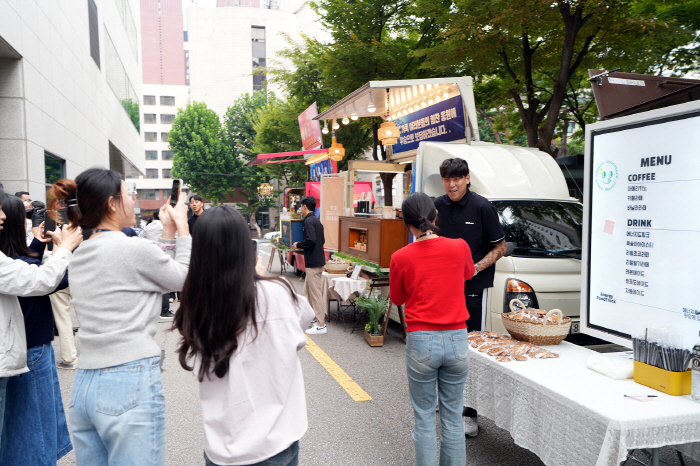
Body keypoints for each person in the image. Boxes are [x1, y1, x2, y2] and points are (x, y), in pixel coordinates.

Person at [48, 168, 191, 465]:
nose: (134, 200)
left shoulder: (82, 252)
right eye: (129, 194)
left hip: (86, 383)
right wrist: (184, 231)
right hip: (128, 378)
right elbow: (184, 279)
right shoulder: (132, 248)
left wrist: (166, 233)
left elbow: (150, 269)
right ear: (112, 203)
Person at [173, 206, 314, 466]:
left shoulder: (196, 302)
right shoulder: (276, 293)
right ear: (244, 248)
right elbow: (303, 321)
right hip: (275, 443)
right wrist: (260, 277)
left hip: (220, 448)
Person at [390, 192, 475, 466]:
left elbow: (397, 299)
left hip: (421, 341)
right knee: (452, 417)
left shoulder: (400, 257)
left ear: (407, 224)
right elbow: (468, 273)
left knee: (425, 418)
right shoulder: (460, 246)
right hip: (457, 339)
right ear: (435, 216)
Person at [0, 186, 82, 452]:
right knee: (34, 431)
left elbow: (26, 266)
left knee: (30, 428)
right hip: (30, 346)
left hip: (28, 345)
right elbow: (39, 278)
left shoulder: (10, 255)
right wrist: (65, 249)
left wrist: (41, 244)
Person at [433, 157, 506, 438]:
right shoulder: (437, 206)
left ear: (467, 178)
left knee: (468, 347)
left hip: (473, 287)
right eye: (447, 179)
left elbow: (500, 247)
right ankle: (448, 399)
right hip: (442, 288)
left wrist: (474, 268)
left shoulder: (482, 207)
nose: (452, 184)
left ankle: (469, 412)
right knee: (443, 345)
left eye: (457, 179)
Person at [292, 196, 327, 335]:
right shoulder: (317, 221)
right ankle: (312, 318)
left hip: (313, 262)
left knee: (315, 294)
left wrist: (298, 245)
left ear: (305, 206)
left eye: (301, 206)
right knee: (308, 292)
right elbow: (321, 240)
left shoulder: (308, 221)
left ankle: (321, 325)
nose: (301, 209)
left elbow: (311, 240)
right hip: (318, 260)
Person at [137, 211, 176, 320]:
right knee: (164, 285)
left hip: (149, 257)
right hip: (163, 257)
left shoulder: (148, 227)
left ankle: (151, 312)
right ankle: (164, 311)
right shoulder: (165, 226)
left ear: (153, 216)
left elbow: (140, 238)